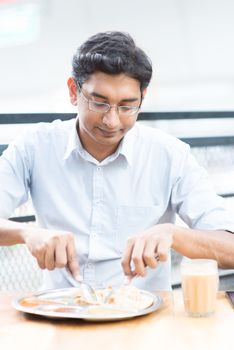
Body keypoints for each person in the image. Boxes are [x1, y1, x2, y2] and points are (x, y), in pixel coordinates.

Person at [0, 31, 234, 292]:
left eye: (126, 106)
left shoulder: (170, 154)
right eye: (99, 103)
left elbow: (230, 248)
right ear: (73, 91)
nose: (112, 121)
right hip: (62, 312)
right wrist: (27, 234)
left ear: (142, 99)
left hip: (146, 318)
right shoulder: (34, 146)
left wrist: (173, 234)